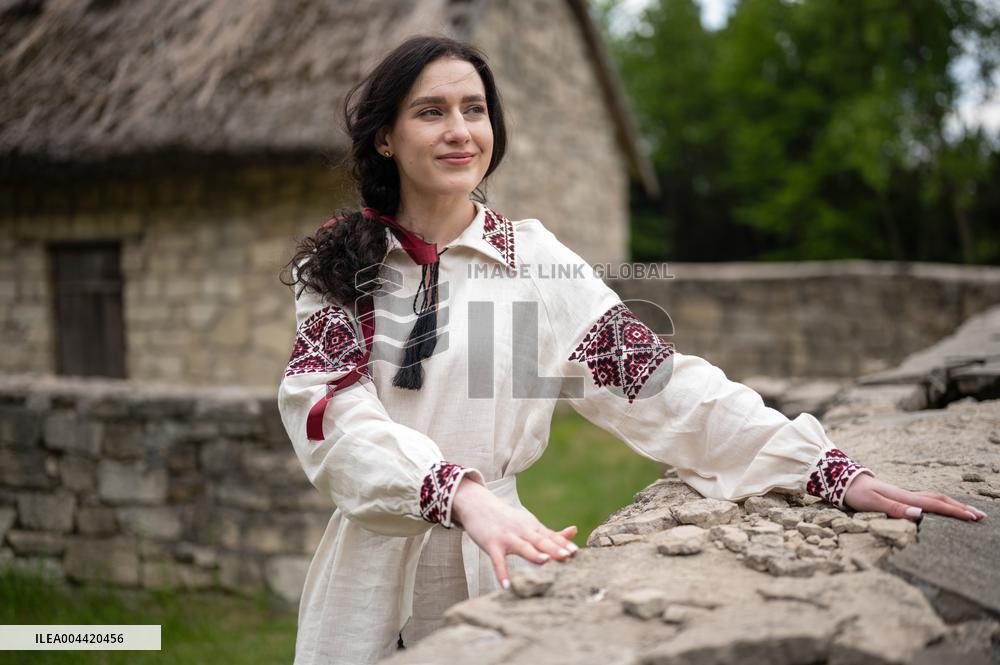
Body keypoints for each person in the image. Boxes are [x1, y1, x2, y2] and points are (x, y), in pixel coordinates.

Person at [277, 35, 985, 665]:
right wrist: (453, 490)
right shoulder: (343, 265)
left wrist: (819, 467)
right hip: (367, 583)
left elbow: (656, 383)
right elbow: (332, 416)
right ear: (386, 138)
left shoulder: (534, 261)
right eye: (431, 111)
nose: (460, 130)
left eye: (475, 109)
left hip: (499, 563)